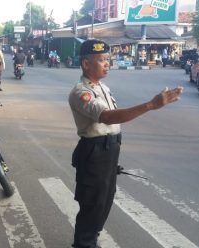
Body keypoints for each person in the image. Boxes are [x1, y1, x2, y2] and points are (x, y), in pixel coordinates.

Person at [68, 39, 183, 248]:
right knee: (93, 204)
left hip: (109, 151)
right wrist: (150, 105)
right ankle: (84, 244)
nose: (107, 64)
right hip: (95, 153)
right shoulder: (81, 92)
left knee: (104, 202)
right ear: (86, 64)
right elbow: (108, 117)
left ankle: (89, 240)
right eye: (101, 60)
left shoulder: (102, 87)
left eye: (107, 59)